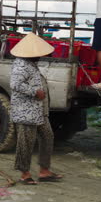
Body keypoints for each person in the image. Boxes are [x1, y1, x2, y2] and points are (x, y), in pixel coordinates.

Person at [10, 33, 63, 185]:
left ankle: (44, 171)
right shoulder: (21, 65)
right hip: (25, 111)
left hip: (38, 111)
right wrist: (35, 92)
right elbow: (15, 84)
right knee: (26, 142)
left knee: (47, 136)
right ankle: (24, 174)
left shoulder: (30, 64)